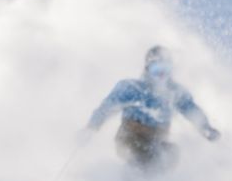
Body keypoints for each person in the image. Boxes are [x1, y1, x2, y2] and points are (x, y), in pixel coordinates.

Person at [86, 45, 220, 171]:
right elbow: (107, 108)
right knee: (145, 157)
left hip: (157, 140)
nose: (161, 75)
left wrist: (205, 128)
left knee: (171, 154)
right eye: (156, 70)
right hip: (130, 136)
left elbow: (191, 110)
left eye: (165, 70)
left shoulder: (175, 92)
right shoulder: (132, 88)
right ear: (147, 69)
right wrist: (91, 128)